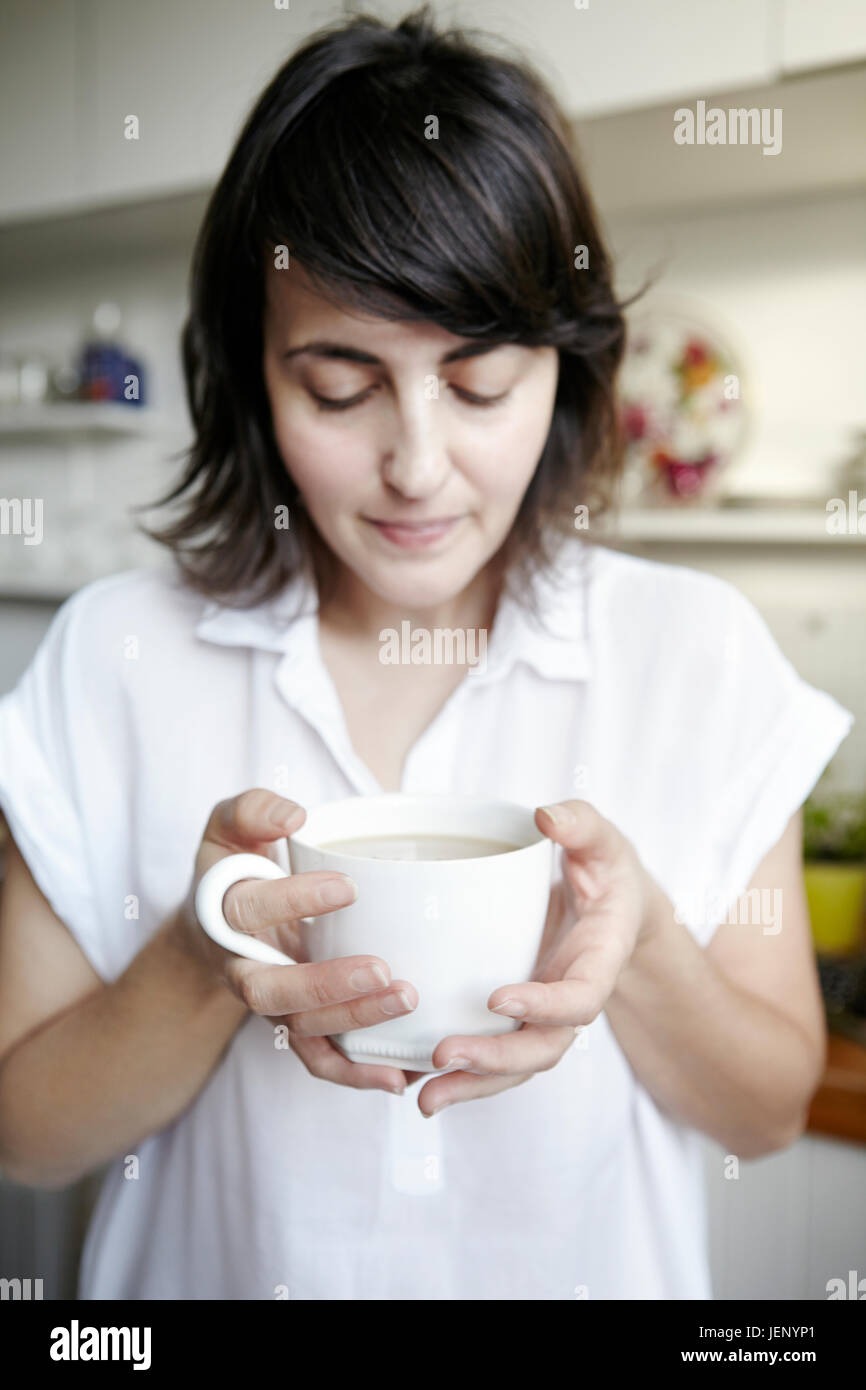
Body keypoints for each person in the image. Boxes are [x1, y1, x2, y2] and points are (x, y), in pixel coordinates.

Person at [0, 7, 853, 1300]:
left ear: (563, 375)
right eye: (338, 385)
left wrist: (639, 946)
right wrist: (199, 958)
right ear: (248, 372)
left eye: (478, 384)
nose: (414, 464)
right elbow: (27, 1134)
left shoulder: (695, 656)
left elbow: (765, 1111)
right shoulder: (112, 656)